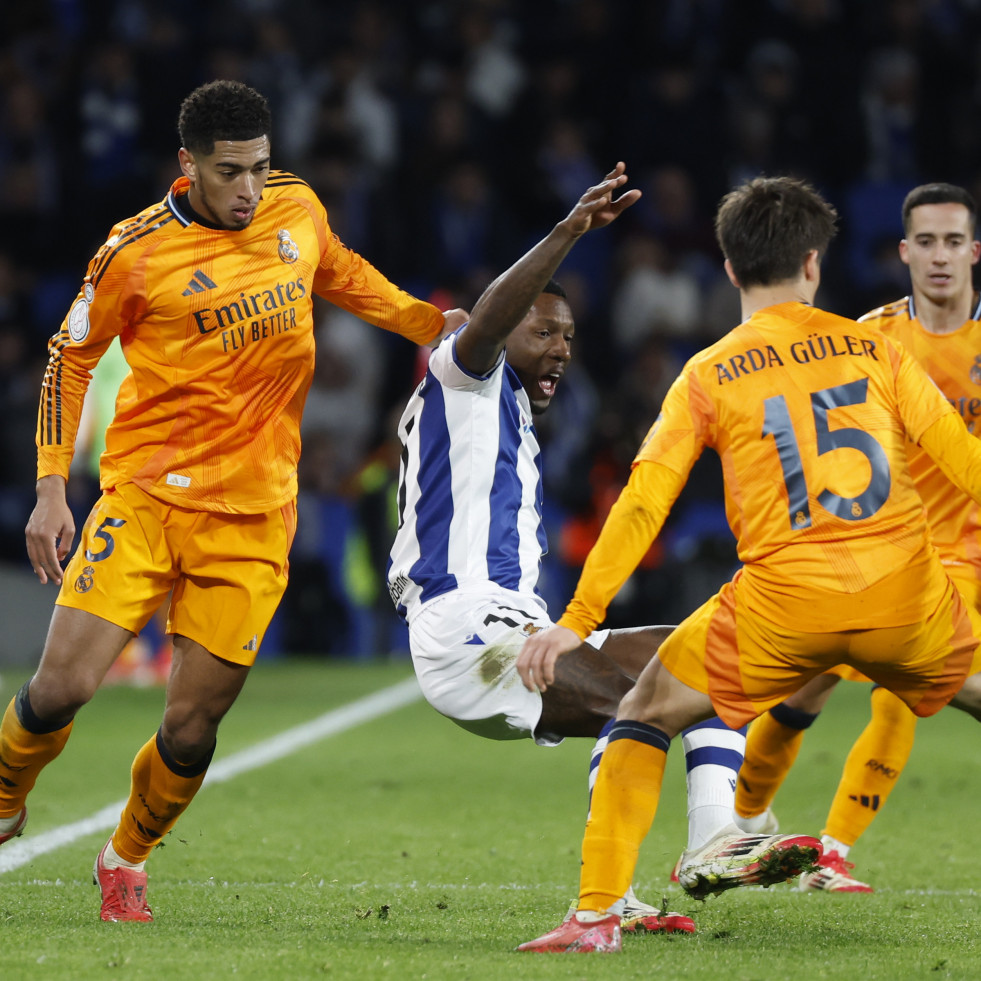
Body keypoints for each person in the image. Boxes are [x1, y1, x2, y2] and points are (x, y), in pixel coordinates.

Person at [0, 79, 465, 923]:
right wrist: (48, 487)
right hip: (144, 497)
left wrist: (431, 326)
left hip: (254, 513)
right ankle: (4, 801)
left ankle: (125, 857)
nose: (249, 188)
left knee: (192, 724)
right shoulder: (132, 252)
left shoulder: (294, 209)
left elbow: (343, 272)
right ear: (188, 166)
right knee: (60, 686)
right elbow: (68, 360)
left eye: (258, 166)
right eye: (228, 172)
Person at [515, 175, 981, 954]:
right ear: (812, 264)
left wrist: (575, 622)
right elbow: (964, 466)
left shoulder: (705, 372)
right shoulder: (877, 348)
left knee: (644, 711)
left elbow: (642, 501)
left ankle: (595, 916)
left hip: (782, 608)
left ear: (728, 270)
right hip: (906, 598)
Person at [388, 163, 775, 938]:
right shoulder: (461, 375)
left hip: (515, 621)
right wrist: (568, 232)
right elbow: (485, 325)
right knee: (639, 703)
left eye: (568, 336)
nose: (560, 349)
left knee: (704, 655)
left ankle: (683, 853)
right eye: (544, 332)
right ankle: (662, 868)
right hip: (464, 630)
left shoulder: (509, 413)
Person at [734, 181, 981, 893]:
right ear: (903, 252)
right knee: (804, 688)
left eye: (952, 241)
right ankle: (741, 820)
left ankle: (830, 850)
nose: (939, 257)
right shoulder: (869, 338)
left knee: (900, 689)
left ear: (974, 250)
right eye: (925, 242)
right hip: (878, 547)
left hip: (962, 558)